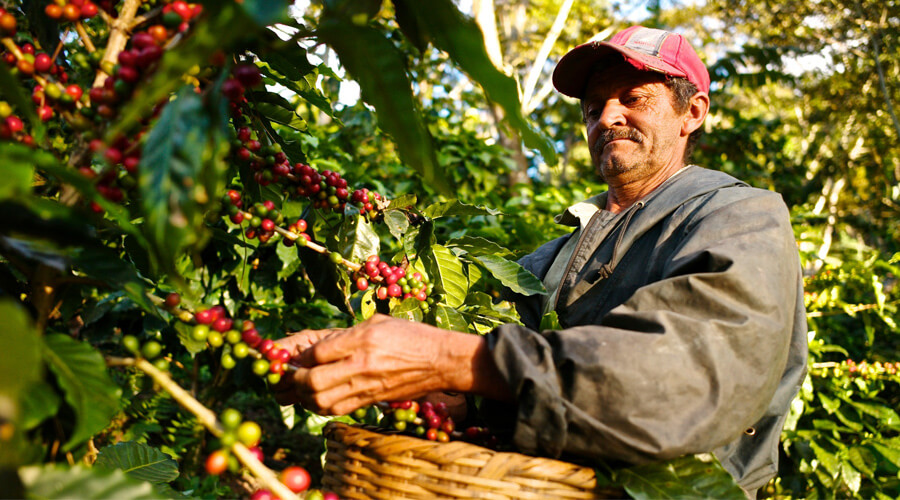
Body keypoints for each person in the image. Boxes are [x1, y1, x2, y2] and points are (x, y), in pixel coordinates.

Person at [273, 25, 808, 497]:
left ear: (692, 113)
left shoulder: (740, 215)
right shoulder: (551, 257)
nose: (609, 117)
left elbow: (690, 379)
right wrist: (430, 388)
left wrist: (449, 358)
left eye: (634, 98)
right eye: (594, 107)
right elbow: (507, 382)